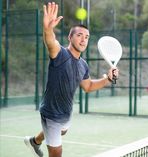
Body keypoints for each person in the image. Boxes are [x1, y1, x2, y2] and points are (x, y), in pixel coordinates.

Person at [24, 2, 119, 157]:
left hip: (66, 113)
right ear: (70, 37)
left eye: (87, 37)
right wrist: (48, 28)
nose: (83, 40)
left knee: (64, 130)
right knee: (57, 153)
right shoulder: (59, 54)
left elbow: (88, 86)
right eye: (79, 35)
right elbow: (50, 41)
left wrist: (108, 79)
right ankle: (38, 141)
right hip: (51, 114)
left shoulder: (83, 65)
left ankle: (34, 141)